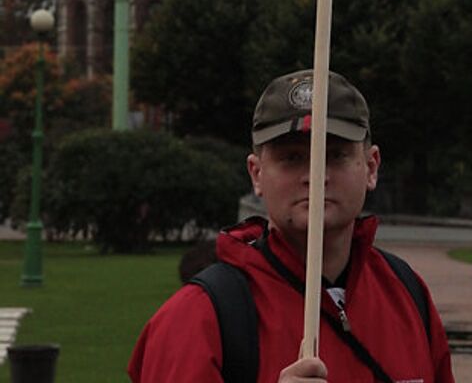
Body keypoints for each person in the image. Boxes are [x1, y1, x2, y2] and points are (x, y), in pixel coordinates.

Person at [128, 69, 454, 383]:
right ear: (257, 174)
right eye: (292, 158)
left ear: (371, 167)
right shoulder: (199, 317)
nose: (315, 176)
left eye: (335, 155)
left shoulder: (406, 293)